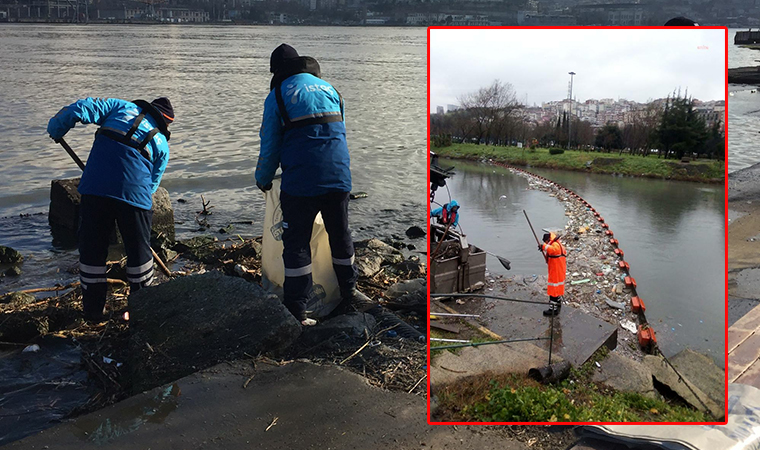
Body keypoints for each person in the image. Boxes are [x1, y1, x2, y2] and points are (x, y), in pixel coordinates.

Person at [255, 43, 369, 326]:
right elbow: (337, 134)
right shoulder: (331, 90)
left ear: (277, 72)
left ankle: (297, 309)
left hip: (301, 183)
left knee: (296, 244)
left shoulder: (278, 95)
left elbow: (270, 146)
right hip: (339, 177)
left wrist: (263, 180)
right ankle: (349, 294)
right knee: (340, 235)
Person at [47, 97, 174, 323]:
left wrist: (57, 128)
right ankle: (140, 311)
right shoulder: (162, 143)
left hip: (95, 188)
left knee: (92, 251)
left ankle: (93, 313)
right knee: (139, 255)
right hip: (134, 196)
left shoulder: (120, 107)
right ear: (165, 123)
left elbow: (81, 108)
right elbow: (152, 185)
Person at [539, 231, 566, 316]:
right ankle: (558, 303)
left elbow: (553, 250)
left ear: (548, 240)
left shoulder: (556, 245)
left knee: (553, 290)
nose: (546, 244)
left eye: (546, 242)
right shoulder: (557, 243)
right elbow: (552, 253)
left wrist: (543, 247)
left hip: (556, 271)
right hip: (558, 270)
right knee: (557, 289)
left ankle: (553, 309)